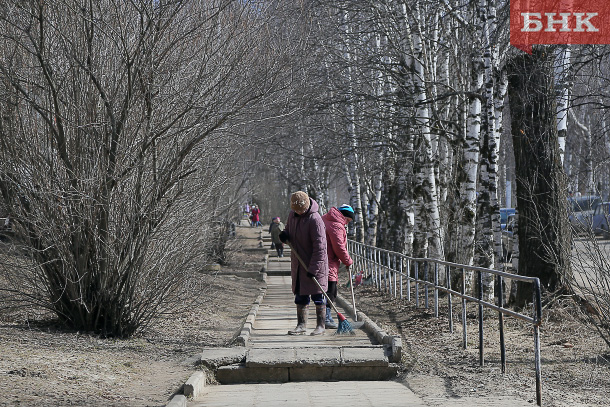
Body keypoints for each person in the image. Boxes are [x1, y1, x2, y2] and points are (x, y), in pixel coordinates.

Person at [279, 191, 329, 336]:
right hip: (299, 265)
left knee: (318, 297)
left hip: (315, 266)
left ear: (307, 206)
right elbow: (288, 229)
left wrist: (314, 269)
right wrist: (285, 235)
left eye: (301, 210)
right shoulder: (292, 215)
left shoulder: (315, 220)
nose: (299, 212)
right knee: (300, 296)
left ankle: (320, 325)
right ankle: (301, 325)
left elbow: (321, 249)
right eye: (296, 210)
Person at [321, 204, 354, 329]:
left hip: (320, 259)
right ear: (344, 216)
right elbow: (339, 247)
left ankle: (326, 317)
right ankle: (325, 318)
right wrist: (348, 261)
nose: (347, 223)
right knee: (331, 290)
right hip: (328, 261)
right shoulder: (336, 225)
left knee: (326, 290)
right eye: (348, 220)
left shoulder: (325, 218)